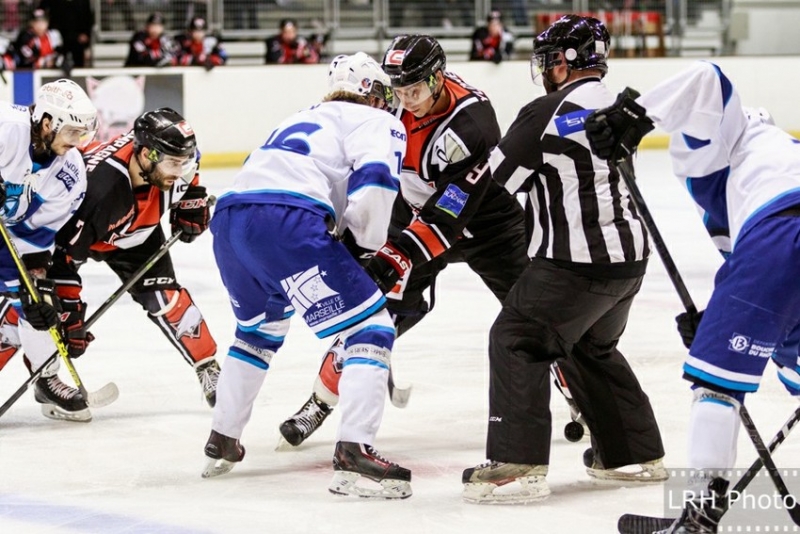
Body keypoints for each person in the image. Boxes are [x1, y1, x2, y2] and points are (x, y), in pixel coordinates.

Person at [279, 34, 539, 449]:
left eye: (415, 89)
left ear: (437, 79)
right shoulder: (389, 99)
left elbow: (450, 213)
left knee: (537, 314)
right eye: (398, 90)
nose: (406, 99)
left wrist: (395, 256)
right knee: (375, 314)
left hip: (488, 223)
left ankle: (576, 392)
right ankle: (321, 400)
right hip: (414, 211)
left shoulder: (471, 123)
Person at [585, 62, 800, 533]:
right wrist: (715, 319)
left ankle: (699, 518)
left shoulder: (740, 132)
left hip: (782, 228)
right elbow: (766, 294)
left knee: (716, 386)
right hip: (780, 245)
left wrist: (632, 115)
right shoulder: (769, 165)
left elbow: (708, 79)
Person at [461, 15, 666, 504]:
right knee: (589, 347)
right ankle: (632, 454)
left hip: (574, 263)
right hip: (629, 260)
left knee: (516, 338)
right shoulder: (618, 105)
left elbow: (496, 184)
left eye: (549, 59)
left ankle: (517, 464)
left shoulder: (545, 111)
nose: (544, 69)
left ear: (565, 61)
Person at [201, 52, 411, 499]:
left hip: (230, 221)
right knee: (371, 327)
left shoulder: (303, 114)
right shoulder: (375, 119)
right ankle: (355, 452)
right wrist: (365, 249)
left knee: (256, 333)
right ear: (374, 93)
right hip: (287, 220)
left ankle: (223, 436)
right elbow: (375, 182)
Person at [44, 108, 220, 408]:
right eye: (172, 163)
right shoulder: (98, 191)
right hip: (83, 233)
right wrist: (70, 313)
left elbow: (191, 173)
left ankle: (208, 367)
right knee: (42, 308)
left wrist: (193, 199)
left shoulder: (177, 158)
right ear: (147, 155)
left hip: (138, 233)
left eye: (183, 162)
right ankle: (45, 377)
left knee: (166, 299)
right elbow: (63, 260)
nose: (179, 170)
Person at [0, 79, 98, 422]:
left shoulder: (70, 172)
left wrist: (34, 277)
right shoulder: (4, 127)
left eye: (82, 134)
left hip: (8, 235)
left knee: (35, 298)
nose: (76, 143)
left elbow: (38, 235)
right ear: (45, 122)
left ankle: (45, 376)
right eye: (71, 132)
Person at [38, 0, 94, 68]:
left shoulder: (82, 2)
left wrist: (86, 34)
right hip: (57, 37)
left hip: (77, 38)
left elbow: (88, 16)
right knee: (55, 62)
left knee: (78, 63)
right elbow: (41, 10)